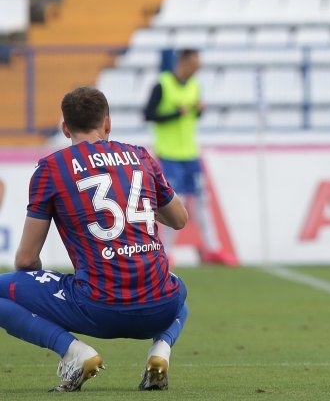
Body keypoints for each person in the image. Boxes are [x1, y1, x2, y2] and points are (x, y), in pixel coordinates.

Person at [0, 86, 190, 392]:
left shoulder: (51, 167)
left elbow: (25, 260)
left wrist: (41, 290)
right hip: (160, 307)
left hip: (98, 307)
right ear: (108, 123)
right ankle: (160, 351)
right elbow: (180, 220)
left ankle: (76, 353)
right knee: (177, 288)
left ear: (64, 128)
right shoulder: (141, 156)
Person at [144, 48, 235, 266]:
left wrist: (198, 110)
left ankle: (213, 248)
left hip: (190, 153)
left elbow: (193, 114)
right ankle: (165, 251)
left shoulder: (195, 86)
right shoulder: (163, 84)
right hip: (169, 154)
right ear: (183, 61)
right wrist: (177, 113)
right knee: (174, 203)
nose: (197, 68)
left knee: (202, 201)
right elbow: (149, 114)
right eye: (194, 63)